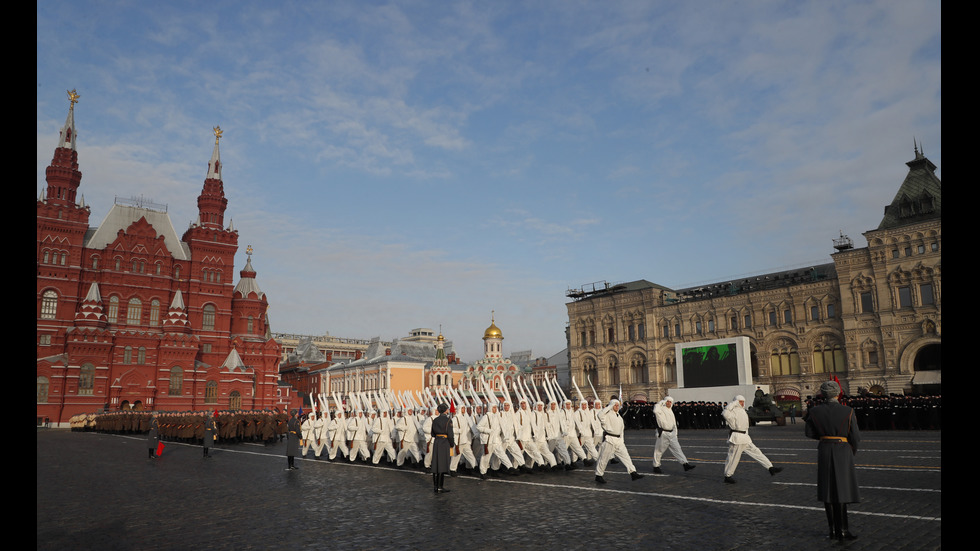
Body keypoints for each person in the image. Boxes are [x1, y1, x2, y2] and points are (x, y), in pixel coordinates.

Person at [805, 381, 860, 541]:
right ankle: (843, 530)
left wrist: (824, 437)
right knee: (842, 490)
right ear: (838, 393)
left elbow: (809, 433)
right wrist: (851, 450)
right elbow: (855, 437)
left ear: (822, 394)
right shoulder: (848, 410)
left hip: (824, 449)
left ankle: (832, 530)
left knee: (827, 490)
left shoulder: (814, 411)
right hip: (843, 449)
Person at [721, 395, 782, 483]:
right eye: (740, 401)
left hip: (745, 437)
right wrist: (733, 404)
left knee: (757, 452)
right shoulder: (732, 411)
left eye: (743, 401)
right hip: (737, 438)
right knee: (733, 458)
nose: (742, 403)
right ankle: (728, 476)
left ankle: (770, 467)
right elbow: (724, 413)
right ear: (736, 402)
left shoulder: (743, 411)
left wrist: (747, 435)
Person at [593, 399, 644, 483]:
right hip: (610, 439)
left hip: (619, 441)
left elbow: (621, 430)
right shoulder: (607, 414)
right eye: (615, 405)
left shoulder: (619, 416)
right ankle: (598, 475)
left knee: (626, 457)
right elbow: (599, 415)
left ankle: (633, 473)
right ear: (611, 405)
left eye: (618, 405)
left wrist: (622, 440)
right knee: (604, 459)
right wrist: (609, 406)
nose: (617, 406)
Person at [651, 396, 695, 473]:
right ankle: (656, 466)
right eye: (667, 401)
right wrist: (660, 402)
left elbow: (674, 424)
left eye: (670, 402)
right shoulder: (660, 409)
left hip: (672, 434)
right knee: (659, 450)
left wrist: (675, 434)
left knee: (677, 449)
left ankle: (685, 464)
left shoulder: (670, 411)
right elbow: (655, 411)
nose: (669, 403)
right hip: (663, 433)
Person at [430, 403, 454, 493]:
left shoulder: (435, 420)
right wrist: (452, 444)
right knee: (442, 464)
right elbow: (450, 435)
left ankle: (435, 486)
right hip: (444, 443)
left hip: (437, 442)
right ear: (445, 410)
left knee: (436, 464)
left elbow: (432, 433)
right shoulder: (448, 420)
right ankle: (440, 486)